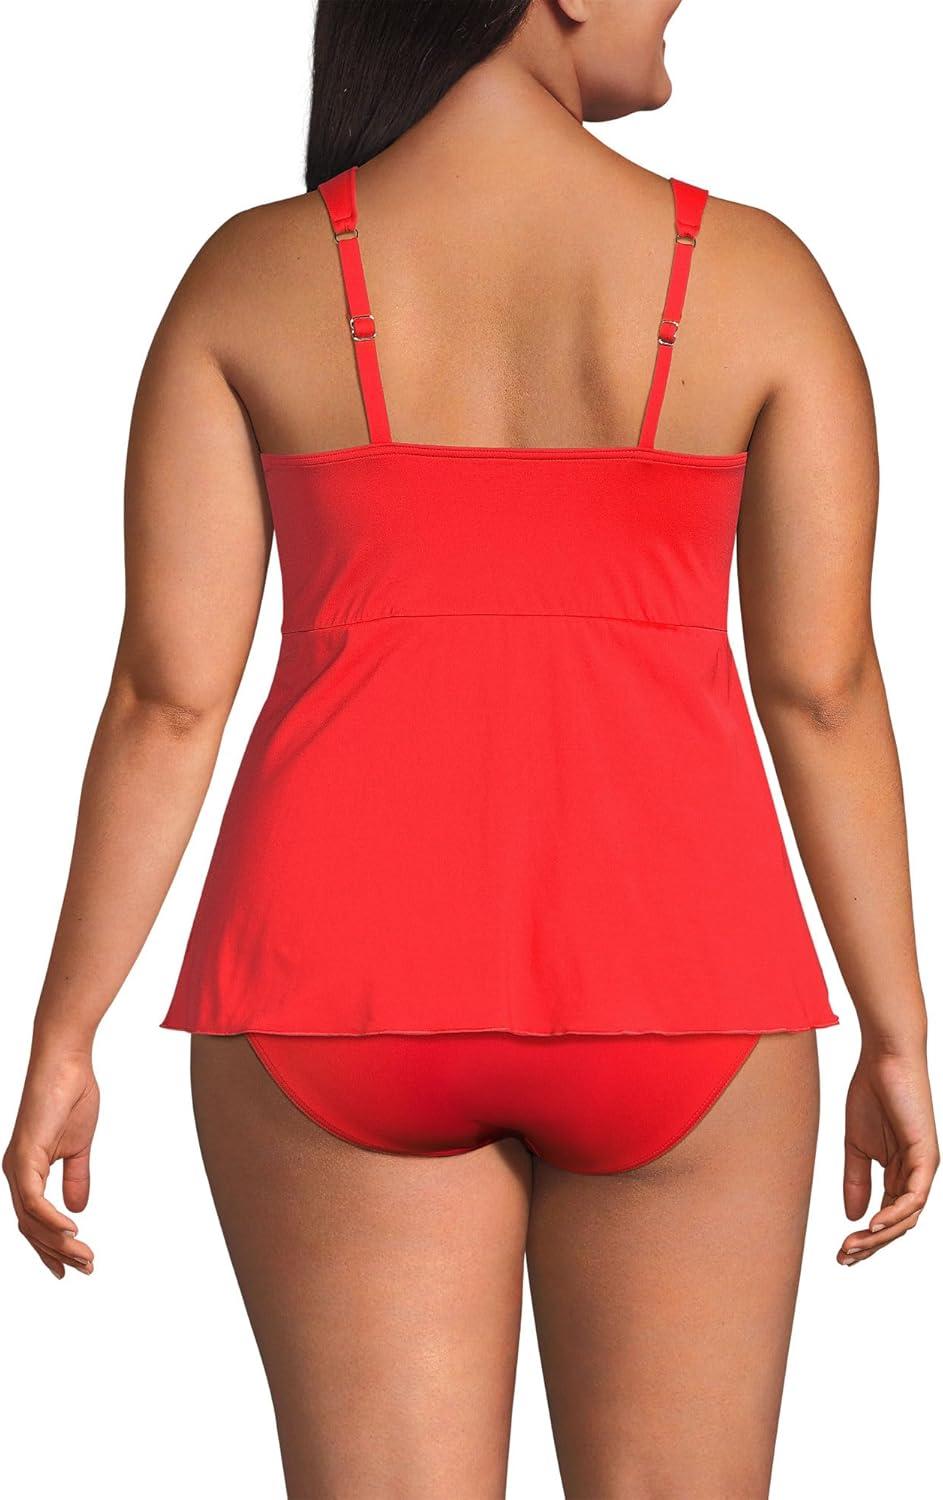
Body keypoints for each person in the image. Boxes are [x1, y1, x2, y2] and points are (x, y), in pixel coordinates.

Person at [4, 1, 938, 1495]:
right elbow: (820, 689)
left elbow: (168, 697)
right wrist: (897, 1028)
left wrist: (66, 1032)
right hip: (683, 984)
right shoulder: (758, 278)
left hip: (329, 989)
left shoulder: (253, 275)